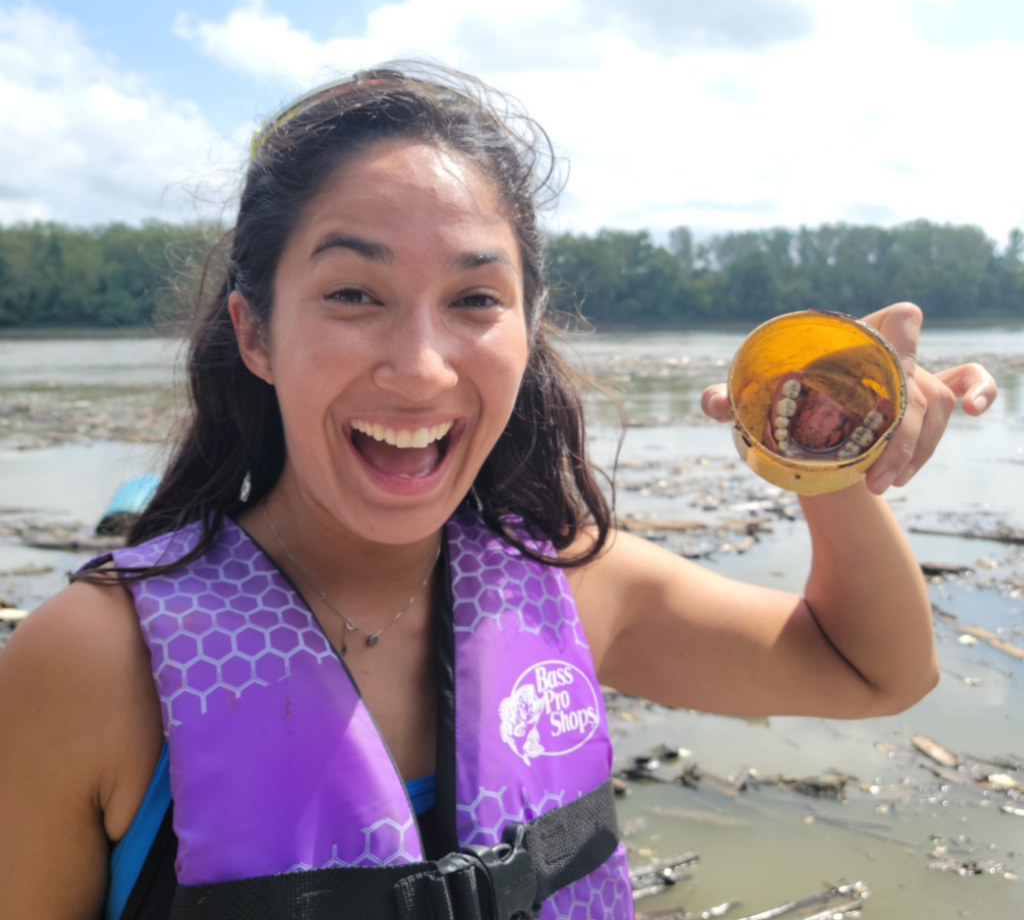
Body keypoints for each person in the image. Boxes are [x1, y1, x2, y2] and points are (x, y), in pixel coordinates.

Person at [0, 65, 998, 920]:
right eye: (354, 293)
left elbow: (873, 674)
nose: (422, 367)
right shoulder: (91, 663)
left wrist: (822, 448)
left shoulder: (571, 583)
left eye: (476, 299)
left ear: (529, 329)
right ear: (255, 334)